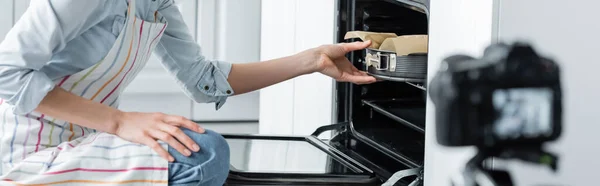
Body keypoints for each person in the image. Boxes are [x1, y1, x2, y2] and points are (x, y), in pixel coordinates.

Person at [0, 0, 375, 185]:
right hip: (26, 152)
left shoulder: (157, 4)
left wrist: (311, 60)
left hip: (87, 141)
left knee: (202, 152)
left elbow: (203, 80)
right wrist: (119, 122)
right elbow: (6, 71)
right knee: (205, 155)